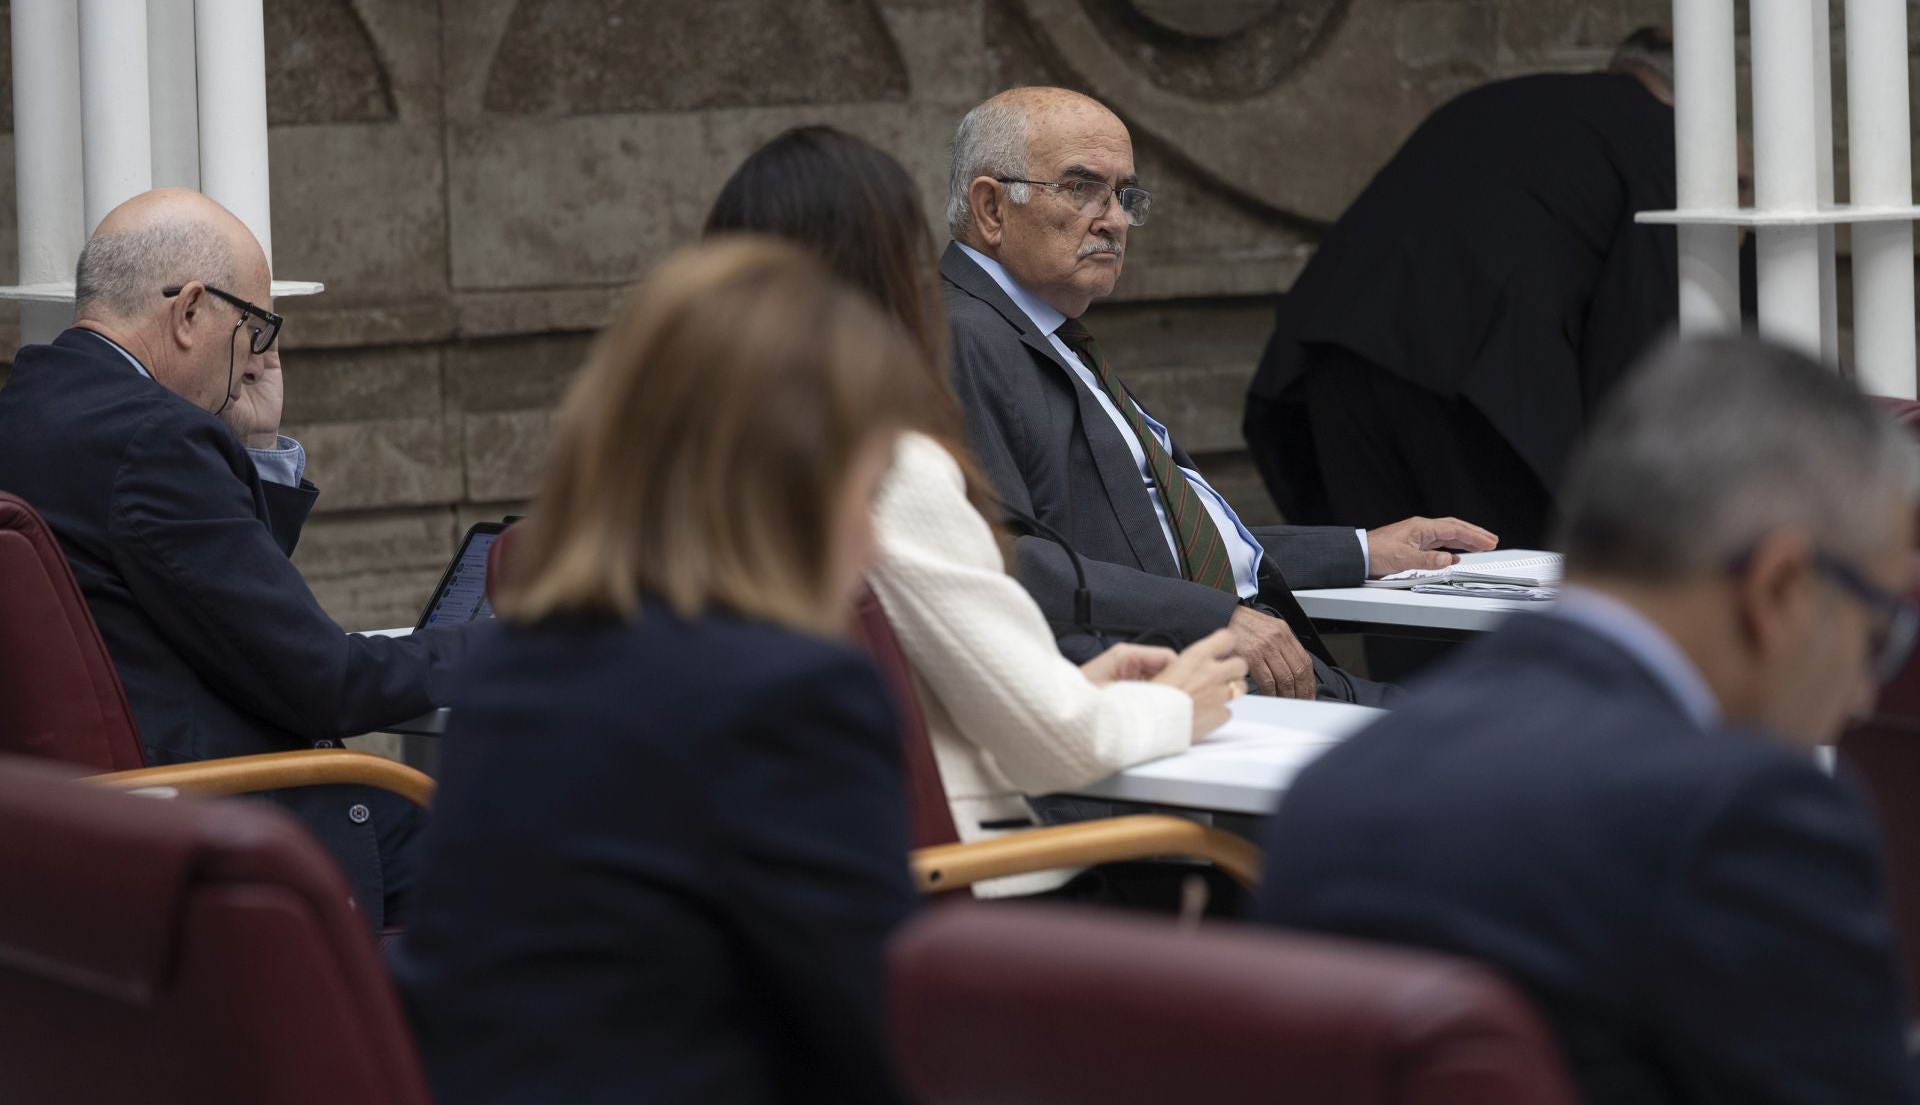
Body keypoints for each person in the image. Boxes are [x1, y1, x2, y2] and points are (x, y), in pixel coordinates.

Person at [1257, 335, 1919, 1104]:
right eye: (1876, 631)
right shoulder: (1749, 816)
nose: (1863, 694)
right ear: (1781, 590)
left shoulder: (1334, 790)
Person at [392, 240, 925, 1104]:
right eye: (868, 494)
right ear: (789, 490)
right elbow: (885, 1049)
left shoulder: (510, 672)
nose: (875, 544)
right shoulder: (799, 697)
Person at [707, 125, 1248, 901]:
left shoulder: (702, 466)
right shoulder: (882, 466)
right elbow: (1054, 743)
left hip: (792, 880)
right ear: (894, 276)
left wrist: (1081, 685)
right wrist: (1173, 704)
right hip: (971, 892)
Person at [0, 188, 465, 930]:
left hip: (97, 828)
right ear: (190, 312)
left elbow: (219, 606)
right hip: (233, 820)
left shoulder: (30, 404)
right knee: (527, 857)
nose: (259, 355)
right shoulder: (155, 439)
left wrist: (257, 445)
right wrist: (512, 641)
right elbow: (326, 685)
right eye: (255, 327)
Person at [942, 86, 1494, 705]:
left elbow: (1164, 547)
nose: (1115, 220)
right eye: (1080, 188)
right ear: (991, 208)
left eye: (1124, 196)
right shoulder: (959, 335)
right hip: (1162, 695)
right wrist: (1213, 617)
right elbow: (991, 557)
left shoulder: (1041, 330)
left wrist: (1363, 551)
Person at [1244, 28, 1679, 549]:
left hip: (1335, 353)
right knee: (1498, 582)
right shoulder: (1662, 137)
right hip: (1472, 384)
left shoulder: (1507, 99)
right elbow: (1640, 329)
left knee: (1390, 581)